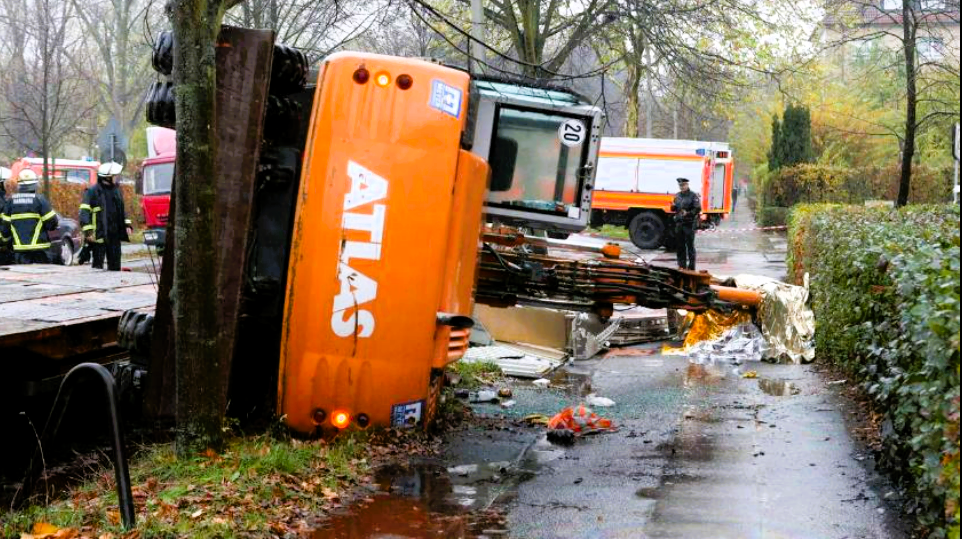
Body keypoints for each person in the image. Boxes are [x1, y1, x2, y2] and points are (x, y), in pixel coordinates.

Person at [80, 162, 132, 271]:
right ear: (107, 178)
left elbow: (122, 210)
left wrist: (127, 224)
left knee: (115, 266)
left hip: (114, 235)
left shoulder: (117, 190)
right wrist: (88, 232)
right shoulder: (92, 192)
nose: (116, 178)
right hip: (99, 235)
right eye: (115, 176)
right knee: (97, 268)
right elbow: (84, 213)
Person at [0, 169, 59, 264]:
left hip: (20, 251)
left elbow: (5, 229)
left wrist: (5, 242)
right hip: (40, 250)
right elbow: (52, 223)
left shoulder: (10, 202)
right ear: (35, 185)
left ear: (19, 185)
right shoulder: (40, 200)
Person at [671, 177, 700, 270]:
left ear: (687, 185)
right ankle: (681, 266)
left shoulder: (693, 195)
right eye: (680, 185)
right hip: (679, 224)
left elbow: (698, 208)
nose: (682, 187)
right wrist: (673, 207)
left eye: (683, 185)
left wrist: (688, 213)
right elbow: (675, 207)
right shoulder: (677, 195)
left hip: (689, 224)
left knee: (690, 246)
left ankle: (691, 267)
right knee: (680, 246)